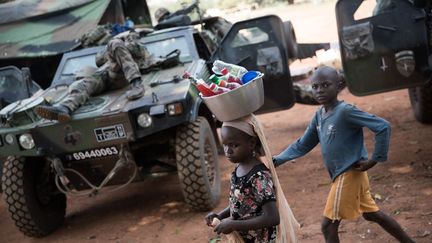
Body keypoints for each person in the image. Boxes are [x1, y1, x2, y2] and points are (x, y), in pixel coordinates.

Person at [272, 66, 415, 243]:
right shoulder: (319, 115)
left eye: (325, 85)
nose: (319, 90)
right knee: (372, 215)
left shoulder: (345, 111)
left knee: (328, 225)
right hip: (347, 175)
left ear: (339, 86)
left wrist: (375, 159)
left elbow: (383, 126)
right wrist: (277, 160)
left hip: (348, 174)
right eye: (315, 86)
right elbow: (303, 144)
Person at [34, 31, 152, 123]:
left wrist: (121, 41)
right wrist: (110, 49)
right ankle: (65, 108)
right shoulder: (111, 49)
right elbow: (99, 60)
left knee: (114, 43)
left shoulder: (136, 44)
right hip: (109, 74)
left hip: (126, 75)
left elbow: (141, 52)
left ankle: (136, 83)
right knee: (84, 84)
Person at [205, 117, 280, 242]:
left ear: (251, 143)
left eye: (234, 145)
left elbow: (272, 217)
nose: (228, 151)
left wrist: (233, 224)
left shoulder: (259, 176)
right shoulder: (239, 167)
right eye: (225, 145)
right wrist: (220, 215)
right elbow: (242, 203)